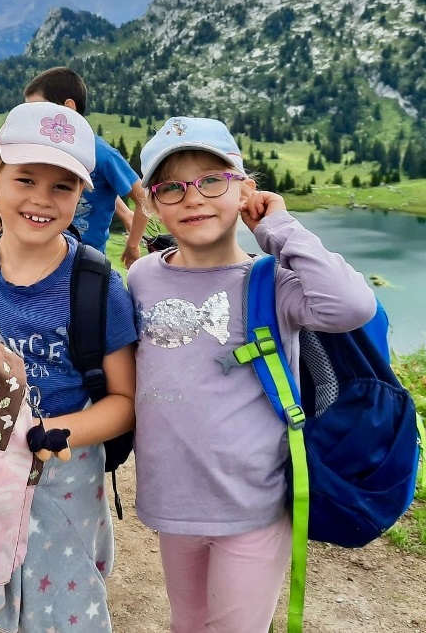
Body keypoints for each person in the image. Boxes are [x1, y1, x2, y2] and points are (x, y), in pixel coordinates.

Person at [126, 117, 377, 633]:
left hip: (253, 504)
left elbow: (352, 306)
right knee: (186, 623)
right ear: (151, 203)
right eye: (171, 188)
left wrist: (278, 228)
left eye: (212, 181)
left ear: (245, 189)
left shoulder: (272, 281)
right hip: (172, 500)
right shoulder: (143, 277)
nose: (193, 198)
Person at [0, 101, 137, 633]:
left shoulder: (97, 287)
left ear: (81, 195)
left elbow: (124, 401)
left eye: (62, 186)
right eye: (25, 179)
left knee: (60, 607)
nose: (41, 199)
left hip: (60, 476)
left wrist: (57, 431)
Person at [23, 66, 148, 269]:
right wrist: (125, 213)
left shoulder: (101, 153)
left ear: (68, 108)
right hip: (42, 256)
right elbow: (94, 183)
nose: (32, 121)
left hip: (86, 264)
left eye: (38, 111)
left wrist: (133, 245)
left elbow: (143, 197)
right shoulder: (49, 151)